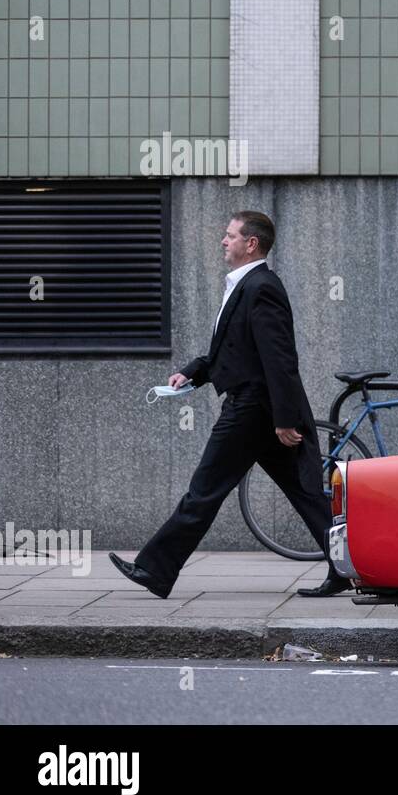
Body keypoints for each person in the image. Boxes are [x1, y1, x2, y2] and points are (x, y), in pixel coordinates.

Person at [110, 211, 350, 598]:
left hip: (253, 409)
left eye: (230, 235)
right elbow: (235, 351)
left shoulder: (261, 287)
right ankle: (349, 567)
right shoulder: (245, 286)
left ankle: (155, 570)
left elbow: (280, 358)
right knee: (305, 492)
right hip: (259, 408)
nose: (223, 241)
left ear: (250, 243)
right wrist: (193, 372)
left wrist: (285, 418)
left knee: (204, 489)